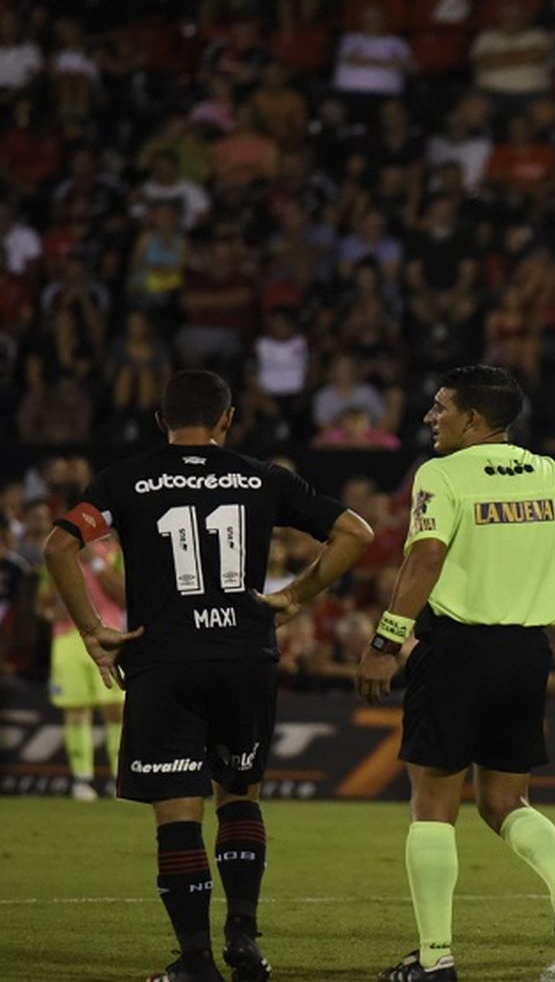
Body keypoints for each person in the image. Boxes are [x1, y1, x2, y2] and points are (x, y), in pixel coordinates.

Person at [42, 370, 374, 982]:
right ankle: (244, 933)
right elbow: (356, 532)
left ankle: (195, 960)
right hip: (244, 656)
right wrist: (297, 593)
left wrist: (93, 630)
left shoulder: (126, 478)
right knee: (239, 796)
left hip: (163, 660)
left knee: (178, 812)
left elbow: (59, 546)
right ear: (226, 420)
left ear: (160, 420)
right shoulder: (263, 476)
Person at [355, 365, 555, 982]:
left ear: (474, 418)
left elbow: (426, 559)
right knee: (505, 800)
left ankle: (436, 958)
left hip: (457, 652)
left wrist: (387, 642)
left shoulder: (441, 475)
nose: (430, 417)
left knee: (433, 806)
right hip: (527, 654)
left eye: (440, 407)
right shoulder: (552, 474)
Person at [41, 531, 126, 800]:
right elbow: (42, 602)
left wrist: (96, 562)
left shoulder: (115, 553)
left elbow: (125, 597)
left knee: (116, 710)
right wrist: (53, 605)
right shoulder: (58, 553)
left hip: (109, 632)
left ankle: (119, 780)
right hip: (68, 637)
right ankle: (82, 780)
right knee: (77, 711)